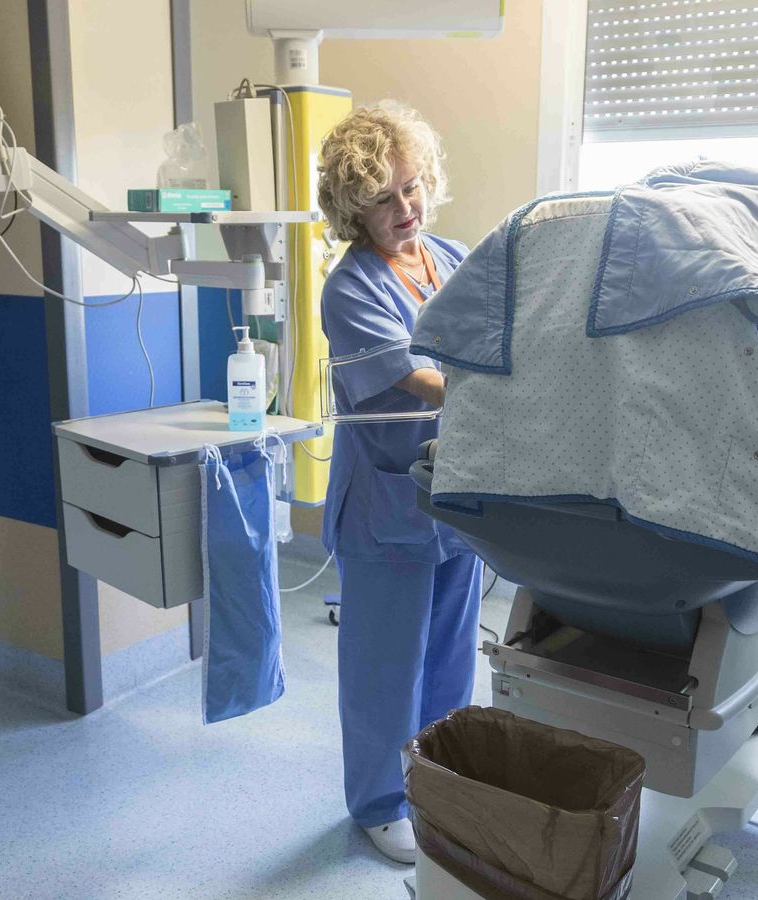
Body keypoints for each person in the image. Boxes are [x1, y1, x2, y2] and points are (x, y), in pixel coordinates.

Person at [314, 101, 483, 865]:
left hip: (458, 491)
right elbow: (422, 379)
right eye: (382, 199)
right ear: (353, 209)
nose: (405, 208)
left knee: (450, 655)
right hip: (386, 506)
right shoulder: (350, 288)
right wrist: (508, 392)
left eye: (411, 187)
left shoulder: (450, 256)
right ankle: (381, 802)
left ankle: (439, 786)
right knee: (386, 667)